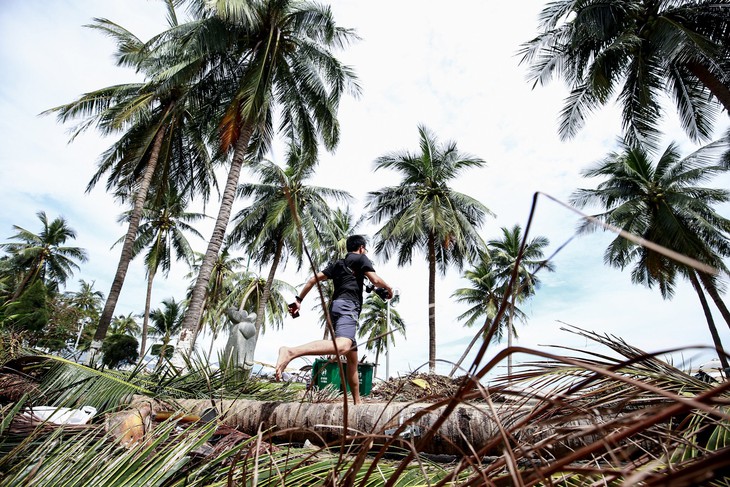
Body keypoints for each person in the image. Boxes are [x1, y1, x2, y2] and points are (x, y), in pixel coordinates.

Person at [275, 235, 394, 405]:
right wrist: (389, 288)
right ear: (361, 247)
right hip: (348, 307)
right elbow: (375, 279)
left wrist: (299, 300)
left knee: (352, 359)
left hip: (336, 307)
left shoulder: (339, 264)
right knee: (343, 345)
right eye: (365, 249)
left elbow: (312, 280)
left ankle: (357, 402)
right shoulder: (361, 258)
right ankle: (291, 351)